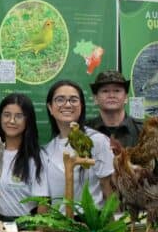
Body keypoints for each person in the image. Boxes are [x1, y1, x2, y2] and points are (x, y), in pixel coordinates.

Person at [43, 80, 114, 210]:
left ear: (81, 106)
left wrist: (115, 225)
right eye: (60, 100)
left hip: (92, 224)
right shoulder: (46, 151)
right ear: (50, 108)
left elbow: (108, 189)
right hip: (58, 226)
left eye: (73, 100)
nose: (67, 105)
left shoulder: (97, 141)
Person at [0, 93, 49, 220]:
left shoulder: (37, 157)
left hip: (25, 227)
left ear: (28, 120)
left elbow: (42, 202)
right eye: (6, 115)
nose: (11, 121)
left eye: (19, 116)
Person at [86, 70, 143, 148]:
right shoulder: (85, 131)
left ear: (126, 97)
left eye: (117, 91)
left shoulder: (142, 131)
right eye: (105, 91)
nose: (111, 95)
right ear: (95, 99)